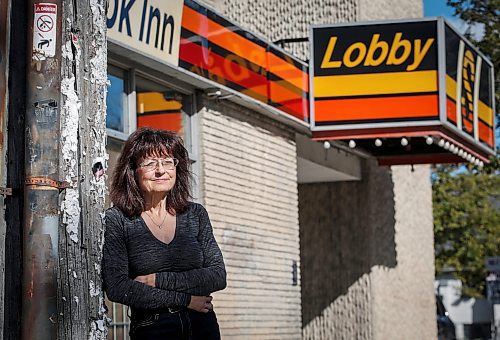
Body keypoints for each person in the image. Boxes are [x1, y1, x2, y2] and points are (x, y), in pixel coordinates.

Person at [102, 127, 227, 339]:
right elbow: (118, 287)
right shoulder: (118, 219)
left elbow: (217, 276)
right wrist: (187, 301)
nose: (161, 170)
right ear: (132, 171)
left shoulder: (195, 214)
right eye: (150, 163)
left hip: (202, 327)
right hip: (153, 328)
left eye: (168, 162)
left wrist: (158, 280)